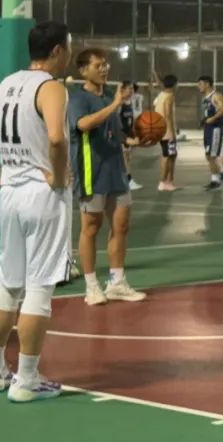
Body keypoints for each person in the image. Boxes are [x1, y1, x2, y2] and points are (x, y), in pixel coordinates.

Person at [0, 21, 74, 401]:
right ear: (57, 50)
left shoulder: (8, 84)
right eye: (68, 47)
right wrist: (57, 177)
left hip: (10, 195)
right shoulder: (52, 87)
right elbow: (56, 138)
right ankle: (26, 380)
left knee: (9, 284)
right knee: (39, 287)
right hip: (43, 196)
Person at [69, 50, 147, 307]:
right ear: (83, 70)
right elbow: (83, 124)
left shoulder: (108, 96)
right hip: (91, 171)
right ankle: (92, 286)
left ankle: (116, 283)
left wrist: (132, 140)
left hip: (116, 169)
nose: (104, 69)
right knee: (91, 227)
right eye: (98, 65)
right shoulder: (78, 98)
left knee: (121, 225)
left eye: (105, 64)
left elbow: (114, 130)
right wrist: (115, 104)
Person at [154, 74, 179, 192]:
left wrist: (156, 76)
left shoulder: (162, 94)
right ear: (174, 84)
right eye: (177, 83)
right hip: (167, 131)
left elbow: (160, 85)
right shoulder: (169, 96)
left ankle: (169, 181)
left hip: (161, 130)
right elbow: (168, 115)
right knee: (167, 156)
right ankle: (163, 182)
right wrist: (172, 132)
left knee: (172, 155)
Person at [119, 82, 143, 191]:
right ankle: (127, 181)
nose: (131, 91)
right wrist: (122, 137)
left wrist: (133, 134)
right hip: (121, 136)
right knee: (124, 159)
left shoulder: (129, 103)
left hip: (128, 134)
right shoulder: (119, 104)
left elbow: (130, 121)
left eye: (132, 89)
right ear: (122, 89)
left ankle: (127, 180)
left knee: (127, 159)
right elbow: (116, 122)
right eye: (129, 88)